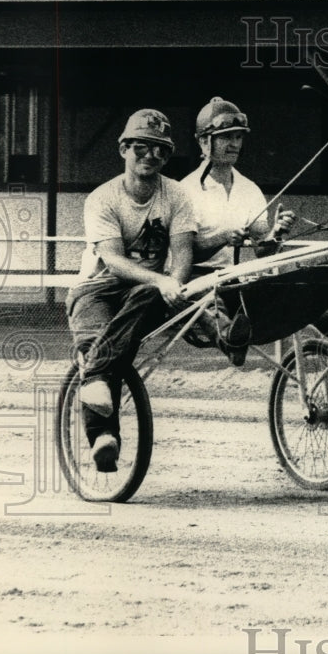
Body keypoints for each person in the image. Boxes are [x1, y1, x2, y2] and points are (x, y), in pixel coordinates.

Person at [66, 109, 207, 472]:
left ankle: (98, 394)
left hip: (143, 289)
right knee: (94, 346)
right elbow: (112, 261)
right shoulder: (102, 197)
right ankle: (103, 437)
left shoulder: (176, 195)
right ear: (123, 149)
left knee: (145, 302)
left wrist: (172, 280)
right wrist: (160, 279)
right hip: (96, 289)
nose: (151, 156)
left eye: (160, 150)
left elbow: (183, 251)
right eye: (141, 147)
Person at [179, 97, 296, 365]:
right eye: (225, 137)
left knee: (292, 291)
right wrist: (221, 238)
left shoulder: (249, 189)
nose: (234, 144)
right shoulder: (184, 192)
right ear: (204, 142)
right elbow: (182, 257)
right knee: (211, 305)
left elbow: (262, 251)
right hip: (198, 283)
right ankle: (232, 339)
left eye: (238, 137)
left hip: (236, 282)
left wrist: (276, 233)